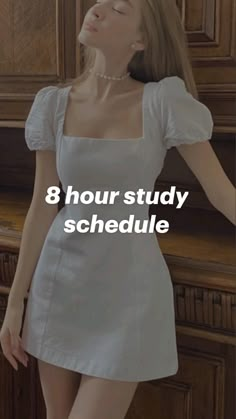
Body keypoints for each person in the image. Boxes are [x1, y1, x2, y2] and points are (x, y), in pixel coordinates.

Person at [1, 0, 235, 418]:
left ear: (141, 40)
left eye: (118, 9)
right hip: (60, 285)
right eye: (100, 3)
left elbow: (221, 193)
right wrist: (16, 302)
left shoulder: (162, 102)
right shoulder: (53, 104)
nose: (97, 10)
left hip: (128, 292)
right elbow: (43, 204)